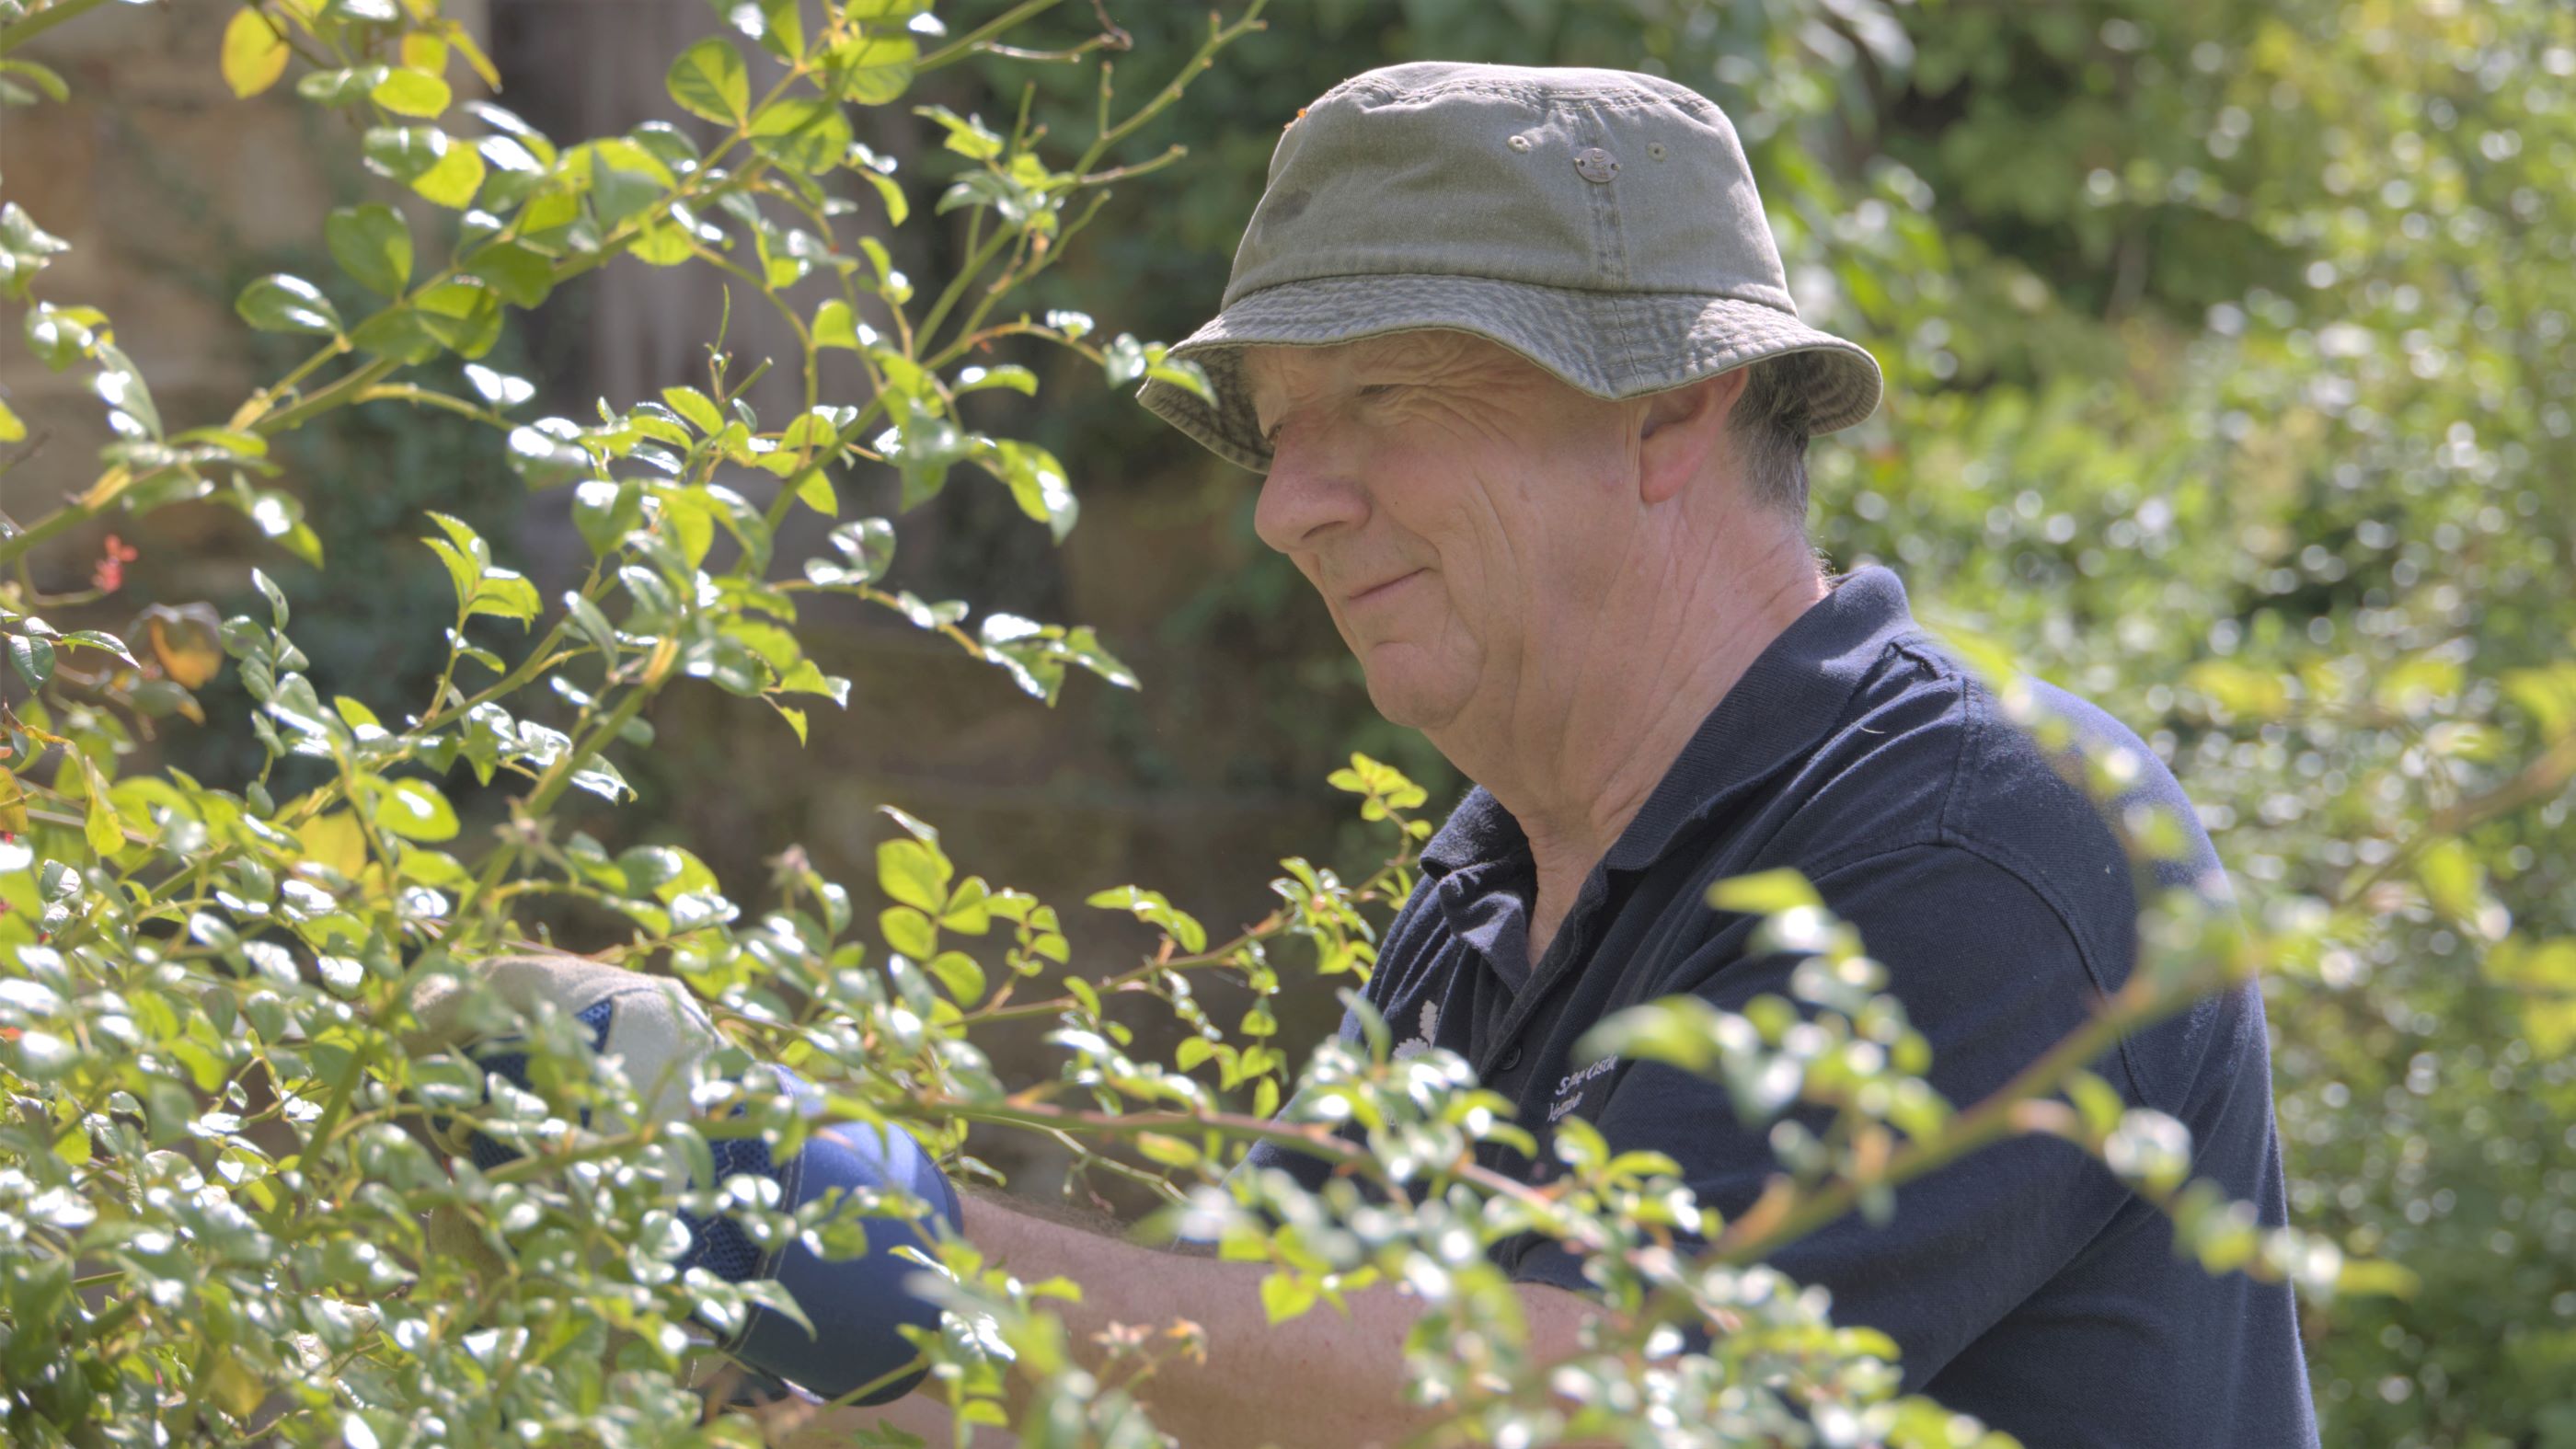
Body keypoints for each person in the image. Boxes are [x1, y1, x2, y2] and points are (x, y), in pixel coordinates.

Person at [434, 62, 2320, 1447]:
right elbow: (1246, 1384)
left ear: (1671, 402)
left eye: (1384, 402)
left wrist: (894, 1233)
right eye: (1276, 426)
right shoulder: (1494, 876)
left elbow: (1593, 1397)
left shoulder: (1980, 841)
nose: (1291, 506)